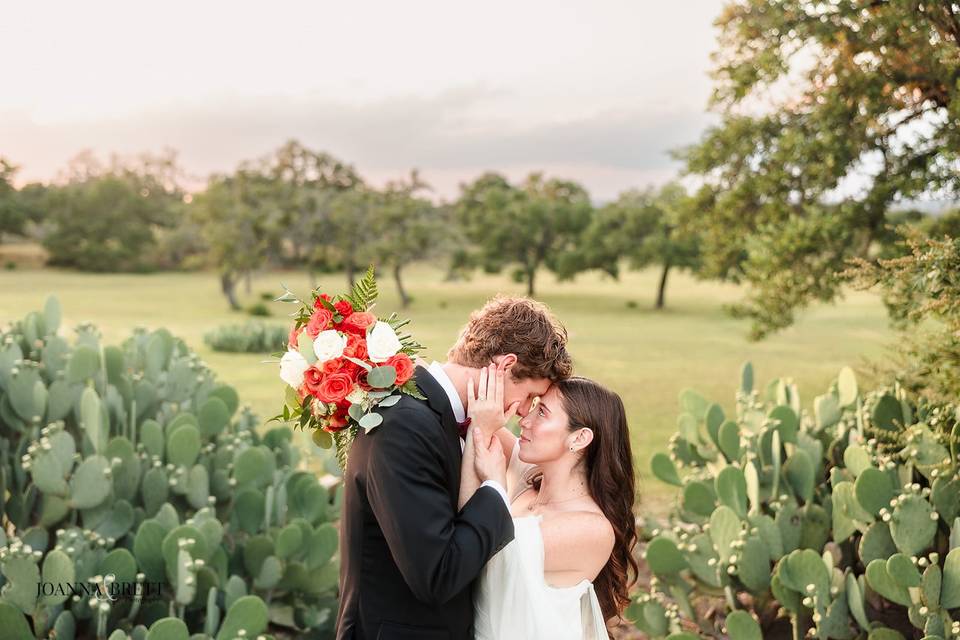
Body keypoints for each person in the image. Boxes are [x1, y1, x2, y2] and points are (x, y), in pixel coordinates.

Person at [336, 295, 573, 640]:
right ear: (505, 366)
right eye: (529, 395)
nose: (524, 411)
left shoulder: (444, 418)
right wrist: (493, 487)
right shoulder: (404, 425)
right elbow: (438, 575)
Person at [462, 370, 638, 640]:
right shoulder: (528, 475)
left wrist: (494, 482)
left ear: (579, 438)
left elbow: (476, 546)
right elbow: (481, 418)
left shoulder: (591, 529)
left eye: (541, 412)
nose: (525, 420)